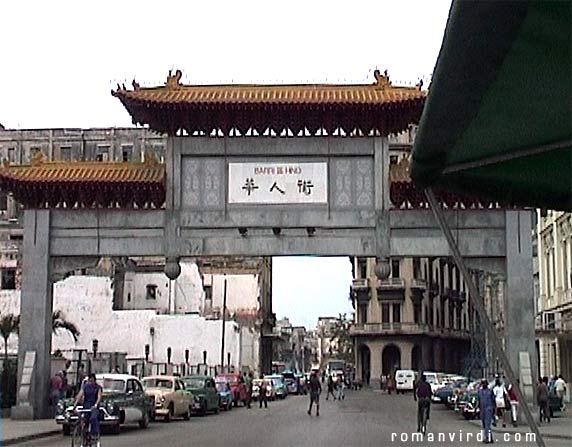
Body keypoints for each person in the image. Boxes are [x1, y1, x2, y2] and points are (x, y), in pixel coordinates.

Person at [73, 373, 103, 445]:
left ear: (94, 380)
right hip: (86, 406)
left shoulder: (98, 388)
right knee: (82, 418)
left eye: (92, 380)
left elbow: (99, 397)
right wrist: (75, 404)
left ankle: (94, 434)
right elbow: (80, 395)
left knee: (93, 418)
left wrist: (96, 405)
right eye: (89, 381)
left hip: (93, 407)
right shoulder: (85, 387)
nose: (90, 382)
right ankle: (82, 433)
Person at [478, 379, 495, 444]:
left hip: (488, 409)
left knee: (487, 424)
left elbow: (493, 401)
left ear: (487, 384)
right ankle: (490, 437)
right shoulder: (480, 392)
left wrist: (494, 411)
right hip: (482, 409)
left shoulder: (490, 391)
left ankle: (488, 438)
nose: (483, 384)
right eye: (482, 383)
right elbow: (479, 401)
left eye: (484, 383)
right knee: (484, 425)